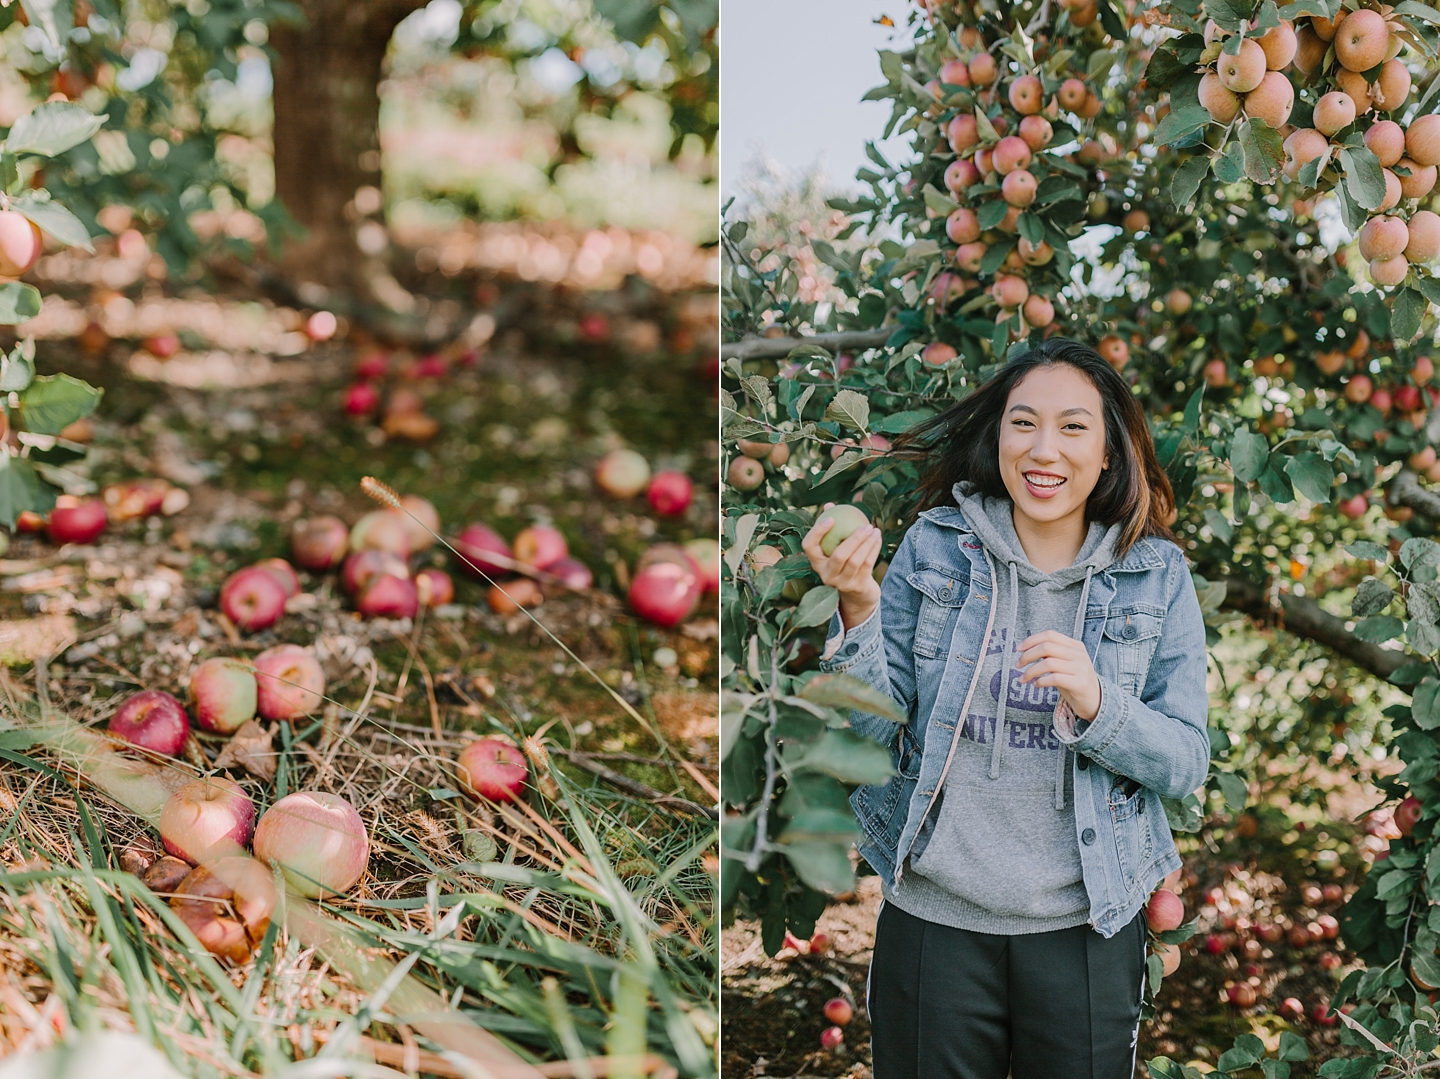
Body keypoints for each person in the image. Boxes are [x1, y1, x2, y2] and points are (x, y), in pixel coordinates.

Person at [801, 338, 1210, 1079]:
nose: (1043, 447)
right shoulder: (935, 546)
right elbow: (867, 732)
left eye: (1073, 426)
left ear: (1112, 450)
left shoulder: (1157, 576)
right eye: (1023, 422)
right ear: (999, 437)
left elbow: (1184, 761)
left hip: (1085, 924)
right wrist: (857, 601)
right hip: (936, 916)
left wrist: (1097, 702)